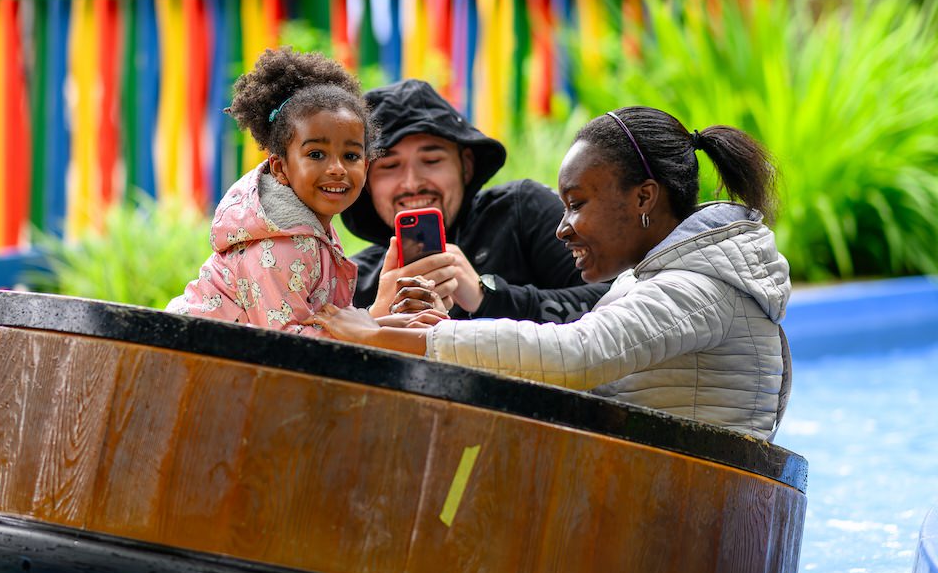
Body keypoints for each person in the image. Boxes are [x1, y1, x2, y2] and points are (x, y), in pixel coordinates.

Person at [308, 106, 792, 441]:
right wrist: (398, 324)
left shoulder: (699, 289)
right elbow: (562, 380)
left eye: (577, 205)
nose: (562, 229)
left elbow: (575, 355)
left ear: (644, 197)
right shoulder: (648, 282)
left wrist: (395, 338)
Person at [341, 79, 608, 322]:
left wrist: (486, 295)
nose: (412, 184)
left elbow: (622, 301)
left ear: (466, 166)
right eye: (389, 166)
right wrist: (376, 320)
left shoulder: (522, 211)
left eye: (432, 160)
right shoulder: (353, 279)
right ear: (365, 181)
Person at [167, 47, 376, 334]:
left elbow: (322, 319)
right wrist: (375, 336)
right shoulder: (280, 244)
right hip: (192, 362)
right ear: (279, 168)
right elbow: (289, 349)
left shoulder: (308, 230)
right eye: (316, 154)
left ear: (366, 164)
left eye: (351, 156)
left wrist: (385, 322)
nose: (337, 168)